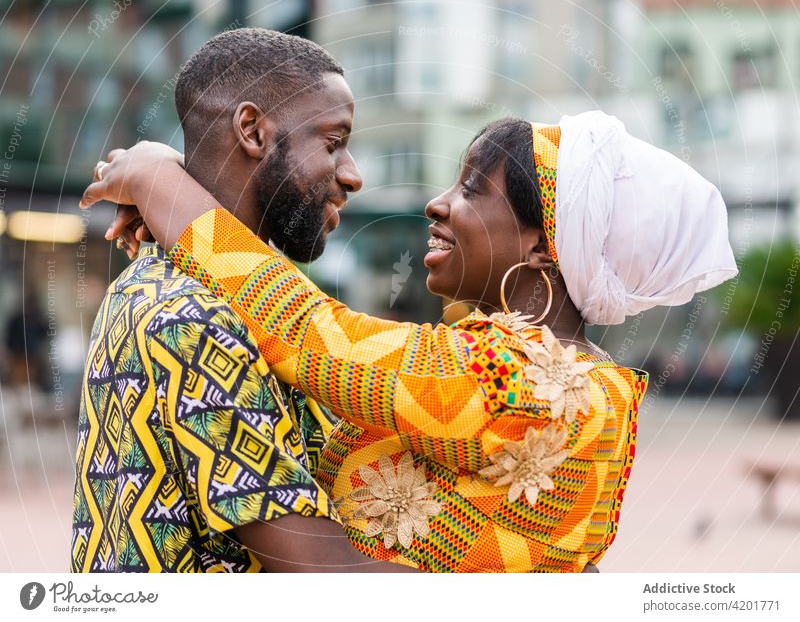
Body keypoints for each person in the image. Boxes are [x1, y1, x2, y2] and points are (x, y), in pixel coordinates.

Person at [85, 95, 738, 572]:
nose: (438, 202)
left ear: (543, 245)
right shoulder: (601, 388)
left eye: (472, 188)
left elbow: (306, 332)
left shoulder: (515, 378)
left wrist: (156, 174)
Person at [70, 28, 416, 573]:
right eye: (333, 141)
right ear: (252, 130)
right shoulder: (195, 317)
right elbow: (322, 575)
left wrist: (159, 176)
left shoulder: (166, 285)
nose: (353, 174)